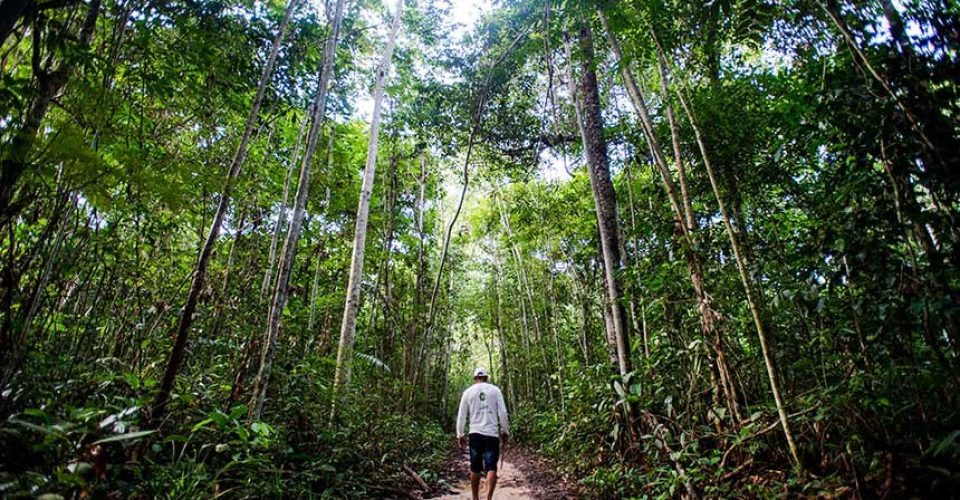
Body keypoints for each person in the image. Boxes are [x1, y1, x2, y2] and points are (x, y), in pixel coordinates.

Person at [456, 367, 509, 500]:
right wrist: (505, 431)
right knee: (491, 467)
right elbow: (502, 412)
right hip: (491, 434)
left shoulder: (468, 392)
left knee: (475, 468)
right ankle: (488, 498)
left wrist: (460, 434)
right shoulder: (495, 390)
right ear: (486, 378)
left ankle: (475, 498)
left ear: (475, 378)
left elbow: (461, 415)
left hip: (475, 433)